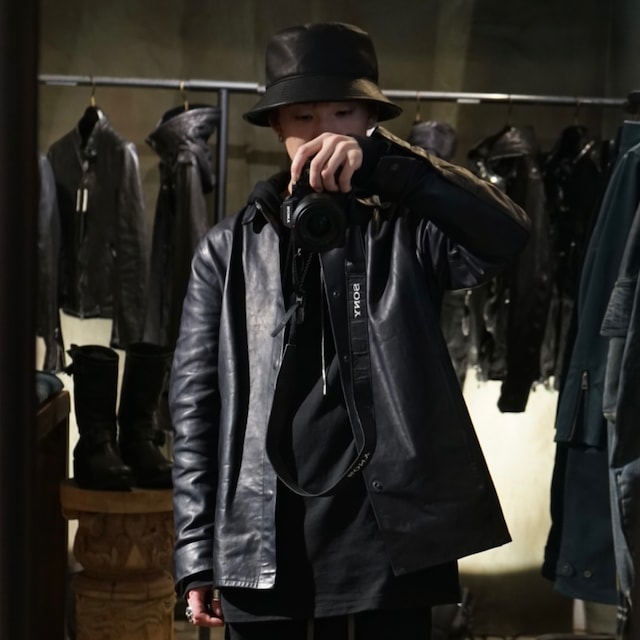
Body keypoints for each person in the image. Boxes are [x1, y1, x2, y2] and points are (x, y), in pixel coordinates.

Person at [169, 21, 531, 640]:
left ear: (370, 120)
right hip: (263, 542)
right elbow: (195, 407)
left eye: (343, 112)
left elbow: (507, 234)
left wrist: (395, 165)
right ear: (277, 126)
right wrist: (197, 550)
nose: (323, 133)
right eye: (303, 116)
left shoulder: (407, 230)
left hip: (391, 545)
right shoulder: (227, 251)